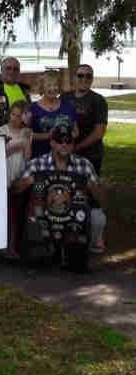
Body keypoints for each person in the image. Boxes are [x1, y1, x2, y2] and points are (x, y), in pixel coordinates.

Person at [12, 124, 106, 271]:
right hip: (45, 214)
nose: (64, 145)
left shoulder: (84, 165)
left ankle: (78, 253)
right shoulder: (37, 164)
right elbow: (15, 190)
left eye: (68, 141)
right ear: (52, 143)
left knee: (98, 219)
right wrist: (28, 181)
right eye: (59, 141)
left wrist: (90, 185)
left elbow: (101, 197)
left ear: (72, 144)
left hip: (73, 216)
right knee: (29, 216)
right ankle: (43, 252)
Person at [61, 64, 108, 252]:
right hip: (65, 154)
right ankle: (68, 231)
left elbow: (99, 132)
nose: (84, 79)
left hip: (91, 155)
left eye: (88, 76)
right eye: (80, 75)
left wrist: (77, 147)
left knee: (92, 194)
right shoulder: (65, 98)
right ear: (75, 77)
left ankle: (97, 236)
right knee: (67, 191)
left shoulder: (98, 101)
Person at [0, 101, 32, 259]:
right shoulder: (0, 131)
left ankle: (13, 246)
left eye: (20, 115)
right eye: (13, 114)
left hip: (19, 174)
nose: (15, 118)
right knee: (4, 214)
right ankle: (1, 246)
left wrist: (26, 140)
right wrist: (13, 148)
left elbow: (28, 156)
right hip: (4, 175)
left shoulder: (27, 132)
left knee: (16, 214)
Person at [29, 70, 77, 158]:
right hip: (40, 158)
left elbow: (76, 131)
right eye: (49, 85)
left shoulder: (68, 106)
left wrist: (66, 135)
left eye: (55, 85)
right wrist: (48, 135)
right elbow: (27, 134)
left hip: (64, 157)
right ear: (42, 87)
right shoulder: (32, 108)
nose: (53, 88)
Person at [0, 57, 32, 128]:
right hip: (2, 134)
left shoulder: (25, 90)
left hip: (23, 134)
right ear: (1, 71)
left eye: (15, 69)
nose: (12, 72)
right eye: (8, 68)